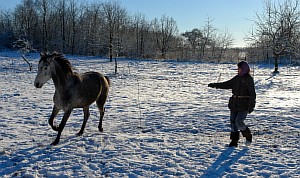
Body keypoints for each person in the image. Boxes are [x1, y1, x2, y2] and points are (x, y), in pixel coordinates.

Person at [208, 61, 256, 147]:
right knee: (233, 122)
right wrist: (215, 85)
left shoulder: (248, 79)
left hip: (244, 104)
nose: (238, 70)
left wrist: (251, 105)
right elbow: (227, 84)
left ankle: (248, 135)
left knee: (239, 121)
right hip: (234, 103)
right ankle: (234, 141)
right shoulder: (237, 78)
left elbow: (252, 94)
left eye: (239, 68)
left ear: (244, 68)